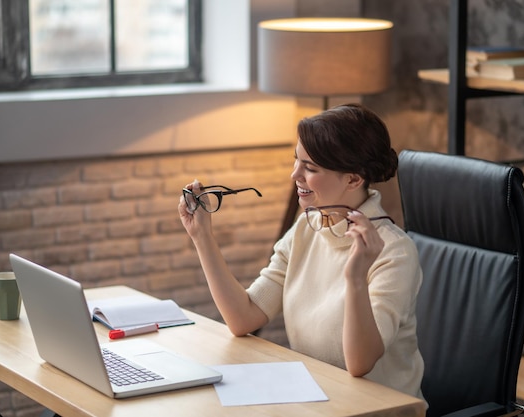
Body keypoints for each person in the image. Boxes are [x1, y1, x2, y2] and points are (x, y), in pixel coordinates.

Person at [178, 103, 425, 400]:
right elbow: (243, 317)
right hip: (318, 399)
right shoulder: (306, 229)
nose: (295, 175)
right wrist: (202, 236)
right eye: (297, 161)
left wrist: (355, 277)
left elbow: (359, 364)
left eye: (310, 168)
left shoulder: (394, 253)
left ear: (353, 179)